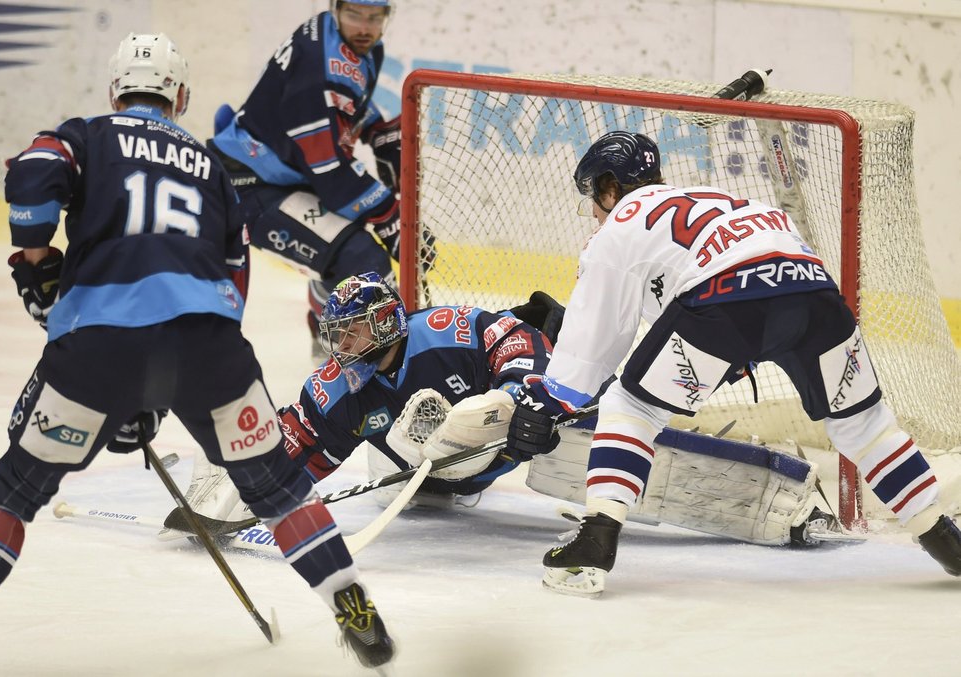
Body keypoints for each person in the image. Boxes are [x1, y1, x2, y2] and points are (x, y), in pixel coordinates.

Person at [0, 34, 394, 675]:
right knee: (279, 489)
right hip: (212, 351)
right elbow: (233, 283)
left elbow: (31, 176)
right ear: (182, 98)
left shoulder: (85, 135)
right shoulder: (211, 166)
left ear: (116, 91)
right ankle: (349, 601)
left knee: (14, 488)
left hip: (98, 351)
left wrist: (34, 260)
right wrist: (165, 386)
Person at [506, 130, 961, 596]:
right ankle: (942, 536)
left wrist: (548, 398)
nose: (596, 213)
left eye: (594, 199)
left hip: (726, 303)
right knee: (864, 423)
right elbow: (735, 282)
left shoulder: (622, 221)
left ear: (608, 188)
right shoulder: (728, 200)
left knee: (632, 406)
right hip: (816, 295)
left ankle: (595, 540)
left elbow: (593, 348)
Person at [169, 273, 835, 551]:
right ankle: (457, 435)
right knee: (436, 419)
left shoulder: (444, 327)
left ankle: (774, 504)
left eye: (348, 332)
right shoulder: (336, 387)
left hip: (508, 432)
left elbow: (511, 340)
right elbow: (297, 444)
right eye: (333, 334)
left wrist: (522, 393)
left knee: (584, 445)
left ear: (381, 322)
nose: (337, 346)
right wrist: (238, 482)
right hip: (423, 472)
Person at [208, 0, 423, 360]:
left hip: (287, 172)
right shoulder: (317, 69)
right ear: (336, 8)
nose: (365, 27)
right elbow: (331, 172)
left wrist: (375, 130)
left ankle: (326, 329)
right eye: (355, 14)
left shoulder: (344, 40)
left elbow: (343, 102)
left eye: (375, 16)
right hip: (251, 185)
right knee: (362, 262)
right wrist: (390, 216)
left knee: (349, 242)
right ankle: (341, 365)